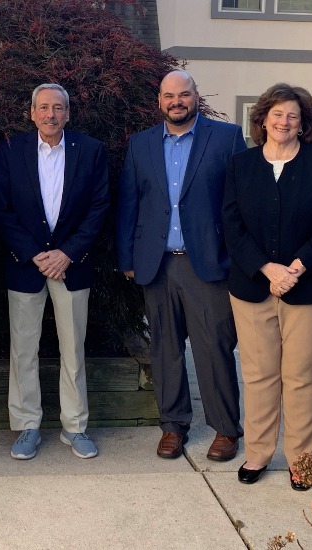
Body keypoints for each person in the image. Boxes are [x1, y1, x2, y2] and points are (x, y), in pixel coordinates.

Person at [115, 70, 245, 461]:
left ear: (195, 97)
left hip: (207, 264)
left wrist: (237, 259)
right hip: (156, 266)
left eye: (184, 94)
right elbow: (129, 204)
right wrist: (128, 259)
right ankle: (173, 426)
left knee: (214, 348)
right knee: (165, 349)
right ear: (159, 101)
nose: (177, 101)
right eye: (169, 95)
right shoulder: (140, 145)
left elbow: (241, 204)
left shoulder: (226, 138)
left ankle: (225, 428)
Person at [223, 83, 312, 490]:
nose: (284, 121)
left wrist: (293, 268)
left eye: (293, 115)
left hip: (309, 288)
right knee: (258, 375)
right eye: (277, 114)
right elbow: (232, 226)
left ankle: (302, 459)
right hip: (252, 288)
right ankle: (257, 454)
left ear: (303, 124)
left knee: (302, 376)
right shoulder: (241, 165)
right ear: (262, 119)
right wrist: (267, 268)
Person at [0, 83, 109, 460]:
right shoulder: (12, 151)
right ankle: (27, 425)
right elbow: (3, 210)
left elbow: (99, 208)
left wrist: (67, 254)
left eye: (58, 108)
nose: (50, 115)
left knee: (73, 348)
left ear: (68, 114)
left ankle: (74, 427)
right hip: (26, 266)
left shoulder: (90, 151)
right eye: (43, 108)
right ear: (32, 113)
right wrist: (34, 255)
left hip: (71, 267)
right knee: (23, 349)